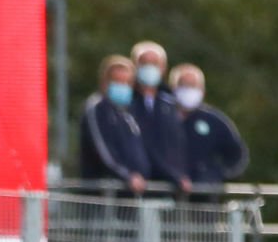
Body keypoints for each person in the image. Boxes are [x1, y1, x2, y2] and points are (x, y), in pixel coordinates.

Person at [170, 64, 248, 192]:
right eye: (184, 85)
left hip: (205, 197)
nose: (188, 90)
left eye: (193, 85)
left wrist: (216, 175)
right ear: (173, 87)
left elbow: (237, 154)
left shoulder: (214, 121)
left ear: (202, 90)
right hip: (168, 191)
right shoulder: (163, 117)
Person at [79, 55, 152, 192]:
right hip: (103, 195)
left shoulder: (127, 113)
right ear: (105, 82)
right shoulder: (96, 108)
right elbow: (102, 149)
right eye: (117, 81)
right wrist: (126, 176)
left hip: (129, 194)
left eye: (127, 82)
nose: (122, 86)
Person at [128, 40, 189, 191]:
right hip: (135, 187)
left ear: (163, 68)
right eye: (144, 63)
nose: (149, 68)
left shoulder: (171, 105)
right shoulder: (126, 103)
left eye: (154, 63)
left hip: (168, 188)